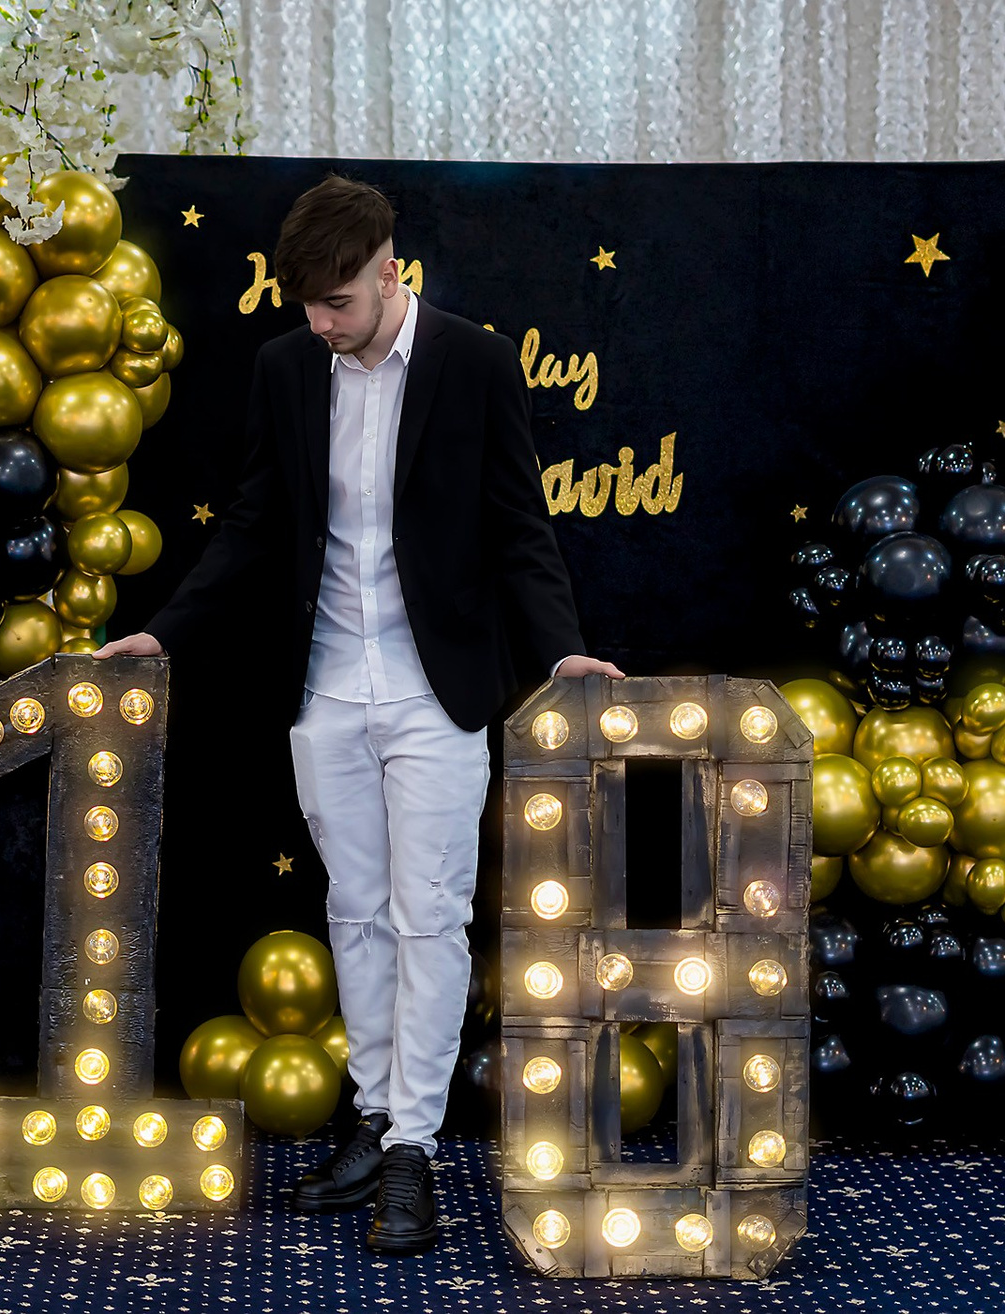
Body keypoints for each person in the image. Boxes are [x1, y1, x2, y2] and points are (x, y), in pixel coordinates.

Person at [94, 174, 621, 1255]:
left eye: (337, 302)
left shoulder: (477, 362)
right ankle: (377, 1119)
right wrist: (168, 632)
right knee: (357, 910)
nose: (321, 324)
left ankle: (415, 1147)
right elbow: (253, 521)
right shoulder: (288, 368)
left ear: (390, 270)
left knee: (431, 914)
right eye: (307, 304)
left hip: (440, 690)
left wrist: (559, 647)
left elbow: (519, 527)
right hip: (325, 686)